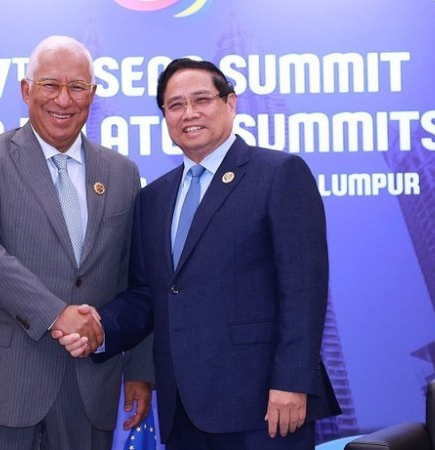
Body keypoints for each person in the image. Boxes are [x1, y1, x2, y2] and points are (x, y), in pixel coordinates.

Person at [55, 58, 341, 449]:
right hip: (182, 410)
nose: (188, 113)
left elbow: (304, 289)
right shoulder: (154, 198)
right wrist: (101, 327)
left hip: (263, 408)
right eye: (175, 105)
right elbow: (146, 295)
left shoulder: (279, 174)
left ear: (231, 103)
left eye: (201, 99)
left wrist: (292, 381)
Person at [0, 35, 153, 450]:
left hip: (91, 384)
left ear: (92, 95)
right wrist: (55, 314)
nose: (63, 99)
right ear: (26, 90)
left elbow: (139, 279)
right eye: (49, 85)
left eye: (77, 87)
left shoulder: (123, 173)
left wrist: (141, 370)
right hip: (3, 381)